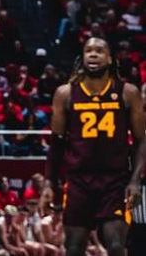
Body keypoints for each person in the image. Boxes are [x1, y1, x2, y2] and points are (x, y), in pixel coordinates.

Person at [48, 37, 145, 256]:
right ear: (82, 58)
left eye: (99, 51)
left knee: (116, 244)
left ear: (110, 59)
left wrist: (135, 181)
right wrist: (49, 182)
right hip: (78, 181)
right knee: (73, 247)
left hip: (115, 180)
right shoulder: (65, 94)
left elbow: (141, 140)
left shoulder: (128, 92)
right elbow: (56, 144)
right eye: (88, 50)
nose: (93, 54)